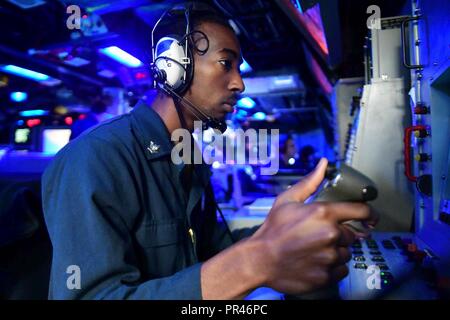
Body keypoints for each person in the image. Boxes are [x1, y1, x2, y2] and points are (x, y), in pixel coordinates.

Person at [42, 2, 377, 300]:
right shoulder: (96, 159)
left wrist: (290, 230)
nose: (239, 83)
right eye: (225, 63)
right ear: (174, 65)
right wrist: (254, 261)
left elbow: (213, 251)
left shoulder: (188, 158)